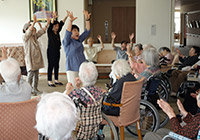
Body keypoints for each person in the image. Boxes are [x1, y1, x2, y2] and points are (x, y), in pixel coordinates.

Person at [65, 62, 104, 140]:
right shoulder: (100, 91)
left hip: (78, 130)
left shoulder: (75, 93)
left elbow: (63, 104)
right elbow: (87, 94)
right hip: (94, 129)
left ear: (80, 76)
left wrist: (68, 91)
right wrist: (79, 86)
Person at [62, 10, 91, 88]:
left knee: (83, 86)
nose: (77, 32)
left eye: (77, 30)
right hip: (72, 68)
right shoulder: (67, 42)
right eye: (74, 30)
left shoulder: (79, 40)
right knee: (73, 87)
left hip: (82, 66)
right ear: (71, 33)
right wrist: (70, 21)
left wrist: (87, 19)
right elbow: (67, 32)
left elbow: (87, 31)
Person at [23, 15, 50, 95]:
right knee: (30, 75)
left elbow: (41, 32)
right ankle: (28, 90)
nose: (34, 29)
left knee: (36, 75)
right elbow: (28, 32)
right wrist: (33, 23)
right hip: (30, 58)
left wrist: (47, 24)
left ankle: (35, 89)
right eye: (32, 28)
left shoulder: (34, 36)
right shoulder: (26, 37)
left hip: (36, 58)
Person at [47, 11, 69, 87]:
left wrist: (66, 16)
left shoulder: (57, 32)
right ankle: (49, 81)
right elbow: (51, 25)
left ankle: (56, 80)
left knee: (56, 65)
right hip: (51, 51)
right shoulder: (50, 32)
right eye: (56, 26)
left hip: (57, 50)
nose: (57, 27)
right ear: (53, 26)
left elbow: (62, 23)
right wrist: (53, 18)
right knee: (51, 65)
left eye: (57, 26)